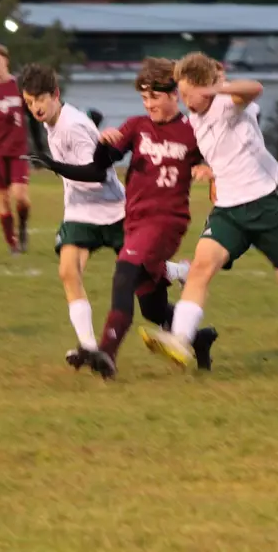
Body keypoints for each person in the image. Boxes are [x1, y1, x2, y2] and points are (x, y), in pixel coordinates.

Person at [140, 52, 278, 369]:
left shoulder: (226, 104)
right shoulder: (195, 119)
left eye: (189, 94)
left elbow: (254, 88)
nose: (185, 100)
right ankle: (180, 340)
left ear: (204, 89)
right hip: (229, 210)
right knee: (201, 267)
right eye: (182, 94)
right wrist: (210, 170)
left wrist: (216, 91)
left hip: (266, 206)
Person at [27, 57, 219, 377]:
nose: (149, 105)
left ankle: (107, 352)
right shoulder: (136, 126)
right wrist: (104, 145)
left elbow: (221, 162)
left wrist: (210, 170)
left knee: (124, 274)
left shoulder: (192, 132)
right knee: (152, 306)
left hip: (167, 221)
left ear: (175, 94)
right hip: (135, 221)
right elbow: (97, 168)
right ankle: (199, 339)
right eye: (144, 99)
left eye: (155, 98)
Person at [19, 63, 131, 375]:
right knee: (68, 272)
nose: (35, 107)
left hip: (112, 209)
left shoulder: (72, 125)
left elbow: (95, 176)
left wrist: (54, 165)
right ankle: (89, 346)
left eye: (40, 99)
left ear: (55, 95)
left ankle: (179, 271)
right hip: (80, 211)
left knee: (147, 281)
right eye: (29, 102)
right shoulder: (51, 120)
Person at [0, 43, 44, 254]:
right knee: (3, 197)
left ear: (6, 60)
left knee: (21, 196)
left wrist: (39, 149)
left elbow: (33, 120)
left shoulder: (20, 88)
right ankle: (12, 243)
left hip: (18, 151)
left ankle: (22, 228)